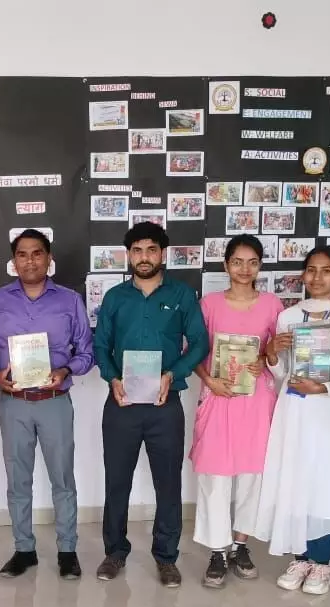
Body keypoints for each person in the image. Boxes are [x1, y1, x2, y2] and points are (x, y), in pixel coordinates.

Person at [93, 222, 208, 587]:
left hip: (165, 404)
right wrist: (112, 377)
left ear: (163, 254)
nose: (144, 257)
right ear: (129, 255)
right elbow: (100, 345)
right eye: (137, 251)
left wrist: (173, 374)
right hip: (122, 403)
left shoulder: (182, 295)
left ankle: (166, 557)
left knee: (168, 484)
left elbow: (200, 343)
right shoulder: (115, 297)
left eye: (151, 250)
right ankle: (115, 551)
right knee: (117, 482)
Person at [0, 229, 94, 580]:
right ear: (14, 261)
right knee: (18, 480)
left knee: (63, 479)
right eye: (22, 254)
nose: (30, 260)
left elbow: (86, 352)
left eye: (37, 253)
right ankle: (24, 549)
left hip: (55, 402)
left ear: (49, 258)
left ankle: (68, 550)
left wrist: (65, 371)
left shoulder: (70, 300)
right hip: (14, 404)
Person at [255, 245, 330, 595]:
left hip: (328, 411)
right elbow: (280, 374)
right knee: (295, 479)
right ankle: (300, 557)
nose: (317, 277)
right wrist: (272, 353)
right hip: (294, 410)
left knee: (325, 482)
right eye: (311, 270)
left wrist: (325, 387)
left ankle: (322, 561)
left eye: (326, 270)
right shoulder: (289, 316)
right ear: (303, 275)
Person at [190, 235, 283, 588]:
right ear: (226, 264)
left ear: (260, 266)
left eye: (252, 262)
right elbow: (194, 350)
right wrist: (208, 381)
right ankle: (218, 550)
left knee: (252, 476)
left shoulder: (272, 304)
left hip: (256, 400)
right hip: (219, 397)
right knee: (215, 476)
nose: (245, 269)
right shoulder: (209, 305)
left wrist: (265, 359)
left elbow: (279, 353)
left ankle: (240, 545)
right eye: (238, 262)